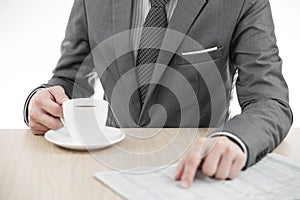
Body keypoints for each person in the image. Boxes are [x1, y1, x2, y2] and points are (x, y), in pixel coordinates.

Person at [23, 0, 292, 189]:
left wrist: (236, 140)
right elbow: (69, 79)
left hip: (198, 173)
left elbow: (269, 98)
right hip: (110, 169)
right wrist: (42, 100)